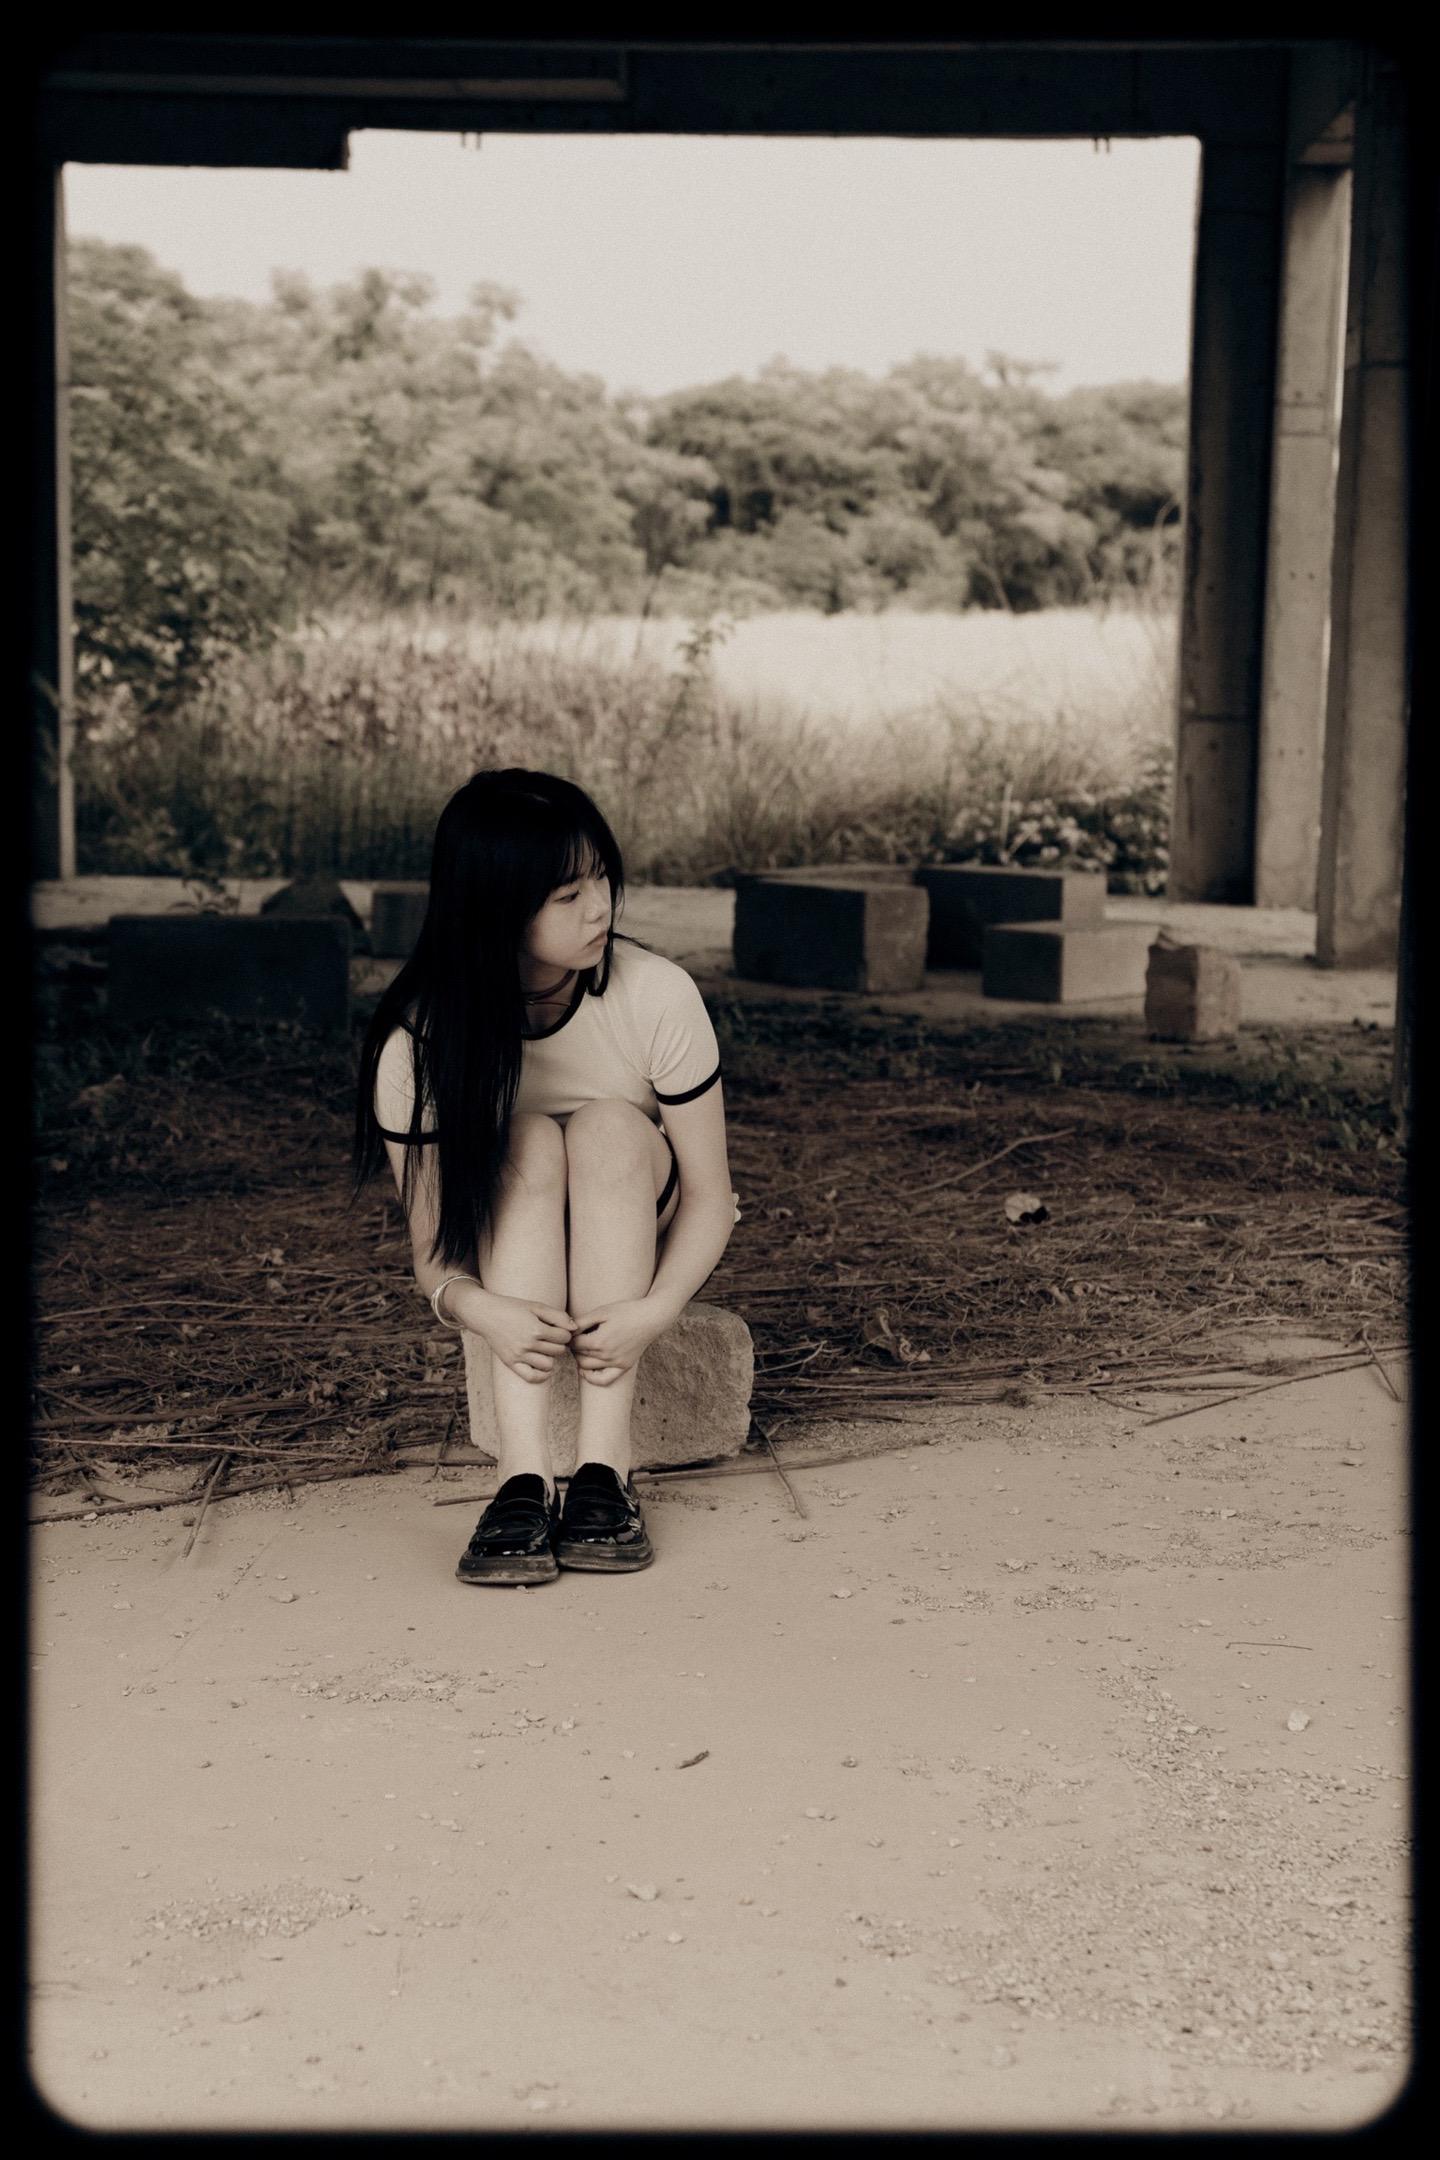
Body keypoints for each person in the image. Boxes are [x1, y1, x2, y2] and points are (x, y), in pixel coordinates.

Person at [353, 768, 737, 1586]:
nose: (600, 908)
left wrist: (655, 1311)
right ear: (495, 908)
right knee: (526, 1139)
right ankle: (520, 1481)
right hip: (512, 1215)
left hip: (632, 1193)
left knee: (605, 1126)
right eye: (568, 895)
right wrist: (482, 1309)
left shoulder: (656, 994)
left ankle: (605, 1472)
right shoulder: (419, 1044)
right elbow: (436, 1252)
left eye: (600, 878)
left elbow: (711, 1197)